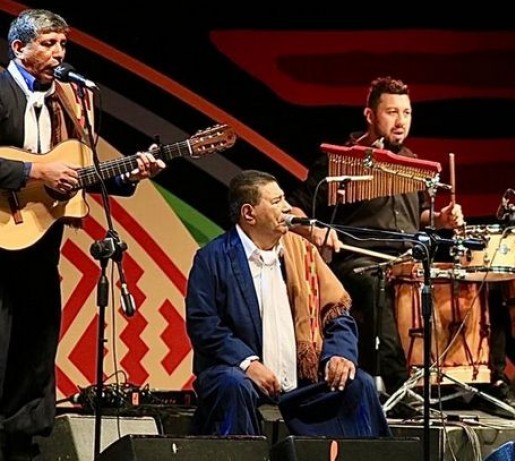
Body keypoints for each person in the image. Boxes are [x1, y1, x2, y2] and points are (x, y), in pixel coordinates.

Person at [0, 9, 164, 460]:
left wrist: (132, 172)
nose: (58, 53)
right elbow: (44, 169)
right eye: (48, 44)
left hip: (38, 248)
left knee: (34, 355)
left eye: (63, 45)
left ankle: (21, 445)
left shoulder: (72, 99)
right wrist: (37, 169)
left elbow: (81, 169)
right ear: (19, 48)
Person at [287, 76, 464, 399]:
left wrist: (441, 219)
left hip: (407, 261)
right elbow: (296, 209)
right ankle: (398, 385)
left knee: (466, 280)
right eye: (392, 112)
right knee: (375, 285)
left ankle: (470, 381)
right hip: (358, 261)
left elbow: (421, 215)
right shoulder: (340, 160)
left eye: (407, 113)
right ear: (370, 115)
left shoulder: (413, 164)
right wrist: (315, 229)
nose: (401, 121)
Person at [185, 170, 390, 437]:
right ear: (249, 214)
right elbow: (205, 325)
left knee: (357, 383)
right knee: (231, 384)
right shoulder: (212, 258)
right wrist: (248, 363)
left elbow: (337, 313)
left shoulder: (303, 252)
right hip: (242, 378)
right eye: (276, 202)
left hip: (303, 382)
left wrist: (339, 354)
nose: (286, 208)